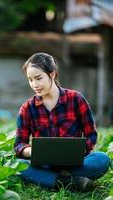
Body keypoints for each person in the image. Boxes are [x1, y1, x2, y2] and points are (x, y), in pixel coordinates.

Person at [14, 52, 110, 192]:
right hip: (44, 164)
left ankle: (50, 180)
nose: (34, 84)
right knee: (17, 165)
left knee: (102, 159)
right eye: (30, 80)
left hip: (75, 164)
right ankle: (68, 182)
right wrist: (31, 151)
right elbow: (19, 145)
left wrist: (76, 152)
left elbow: (91, 135)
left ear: (52, 74)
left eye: (38, 78)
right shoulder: (27, 108)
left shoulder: (76, 99)